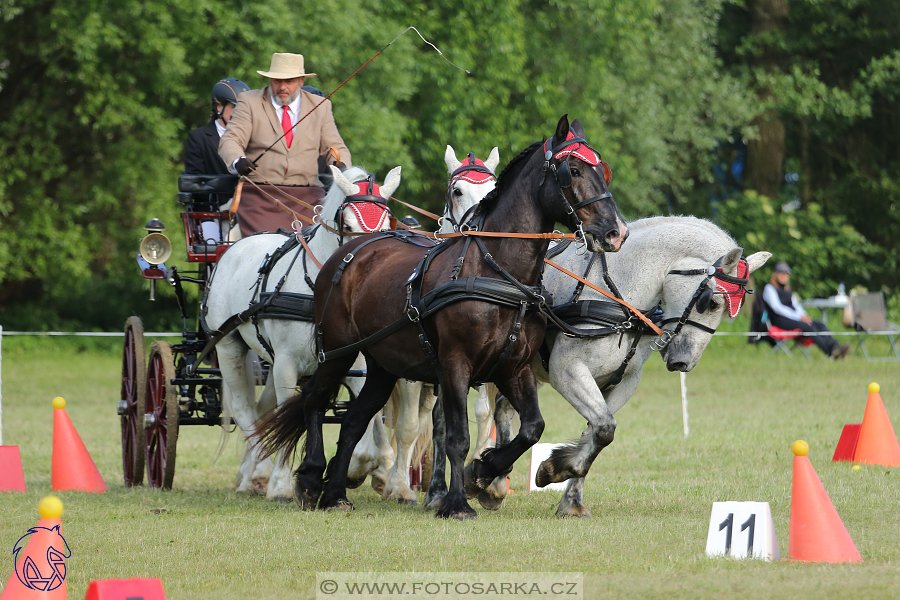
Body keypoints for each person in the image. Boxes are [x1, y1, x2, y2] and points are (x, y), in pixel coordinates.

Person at [219, 52, 351, 237]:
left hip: (309, 198)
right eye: (276, 81)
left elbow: (335, 147)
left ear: (301, 81)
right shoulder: (249, 102)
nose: (282, 87)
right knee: (267, 250)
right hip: (261, 197)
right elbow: (230, 139)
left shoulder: (321, 106)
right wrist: (237, 160)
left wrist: (342, 167)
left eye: (289, 81)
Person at [762, 261, 851, 359]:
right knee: (808, 327)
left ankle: (835, 347)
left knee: (819, 324)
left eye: (786, 274)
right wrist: (799, 317)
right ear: (776, 275)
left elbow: (796, 305)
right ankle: (830, 353)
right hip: (779, 321)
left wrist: (804, 315)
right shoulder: (769, 288)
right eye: (782, 274)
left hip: (793, 319)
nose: (784, 276)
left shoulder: (788, 290)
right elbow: (778, 308)